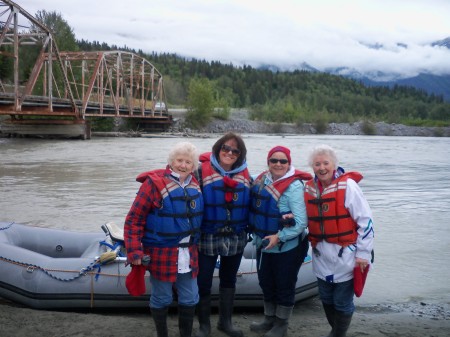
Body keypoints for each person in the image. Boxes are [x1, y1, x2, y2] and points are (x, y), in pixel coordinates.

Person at [124, 141, 204, 337]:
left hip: (188, 253)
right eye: (179, 160)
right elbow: (134, 220)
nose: (183, 165)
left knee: (191, 297)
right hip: (162, 253)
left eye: (188, 162)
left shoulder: (195, 184)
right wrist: (134, 251)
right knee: (162, 297)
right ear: (171, 161)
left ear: (193, 166)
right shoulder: (152, 184)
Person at [304, 144, 374, 337]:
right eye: (317, 164)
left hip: (347, 256)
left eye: (326, 163)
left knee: (342, 302)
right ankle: (336, 331)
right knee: (326, 298)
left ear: (334, 164)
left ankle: (337, 334)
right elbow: (304, 217)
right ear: (313, 167)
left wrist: (363, 254)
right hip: (321, 256)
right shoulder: (309, 188)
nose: (321, 167)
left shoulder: (348, 186)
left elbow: (366, 222)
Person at [248, 145, 312, 337]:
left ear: (289, 163)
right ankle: (269, 319)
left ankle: (281, 324)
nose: (278, 164)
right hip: (264, 244)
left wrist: (279, 236)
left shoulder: (294, 186)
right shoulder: (261, 180)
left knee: (284, 285)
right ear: (268, 162)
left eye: (282, 161)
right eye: (273, 160)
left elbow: (301, 223)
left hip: (288, 246)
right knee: (266, 282)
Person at [195, 132, 251, 337]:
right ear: (218, 149)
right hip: (207, 236)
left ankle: (225, 322)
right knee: (203, 281)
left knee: (229, 280)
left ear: (240, 154)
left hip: (235, 237)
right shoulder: (200, 171)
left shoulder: (246, 175)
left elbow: (254, 201)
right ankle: (204, 325)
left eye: (235, 150)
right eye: (225, 148)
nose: (229, 152)